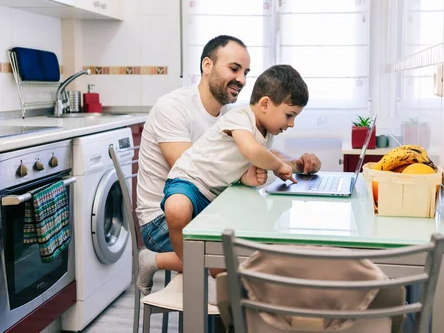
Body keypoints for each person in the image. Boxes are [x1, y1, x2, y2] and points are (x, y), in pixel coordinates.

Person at [136, 36, 321, 294]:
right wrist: (261, 169)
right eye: (234, 69)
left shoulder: (228, 113)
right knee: (248, 256)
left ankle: (231, 311)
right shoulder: (173, 107)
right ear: (207, 65)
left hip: (205, 205)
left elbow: (251, 152)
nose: (242, 80)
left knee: (261, 244)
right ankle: (222, 310)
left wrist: (296, 164)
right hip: (162, 219)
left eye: (245, 73)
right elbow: (191, 166)